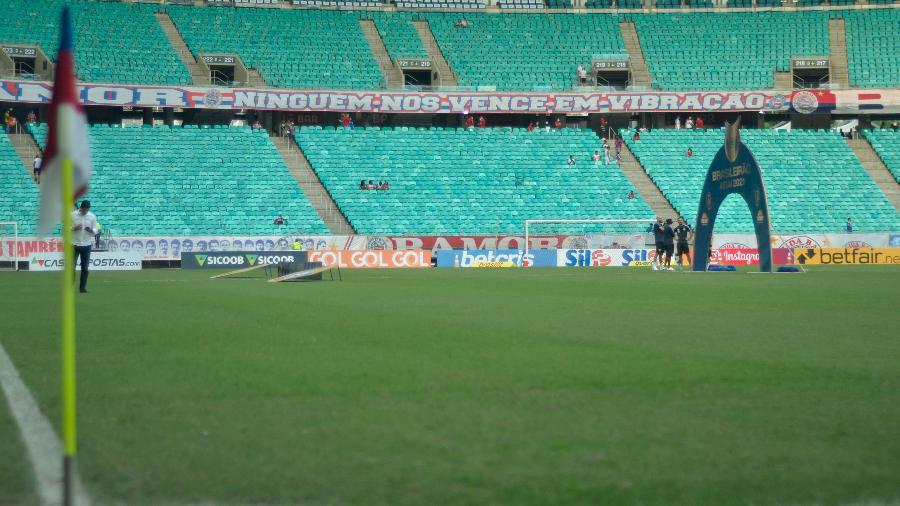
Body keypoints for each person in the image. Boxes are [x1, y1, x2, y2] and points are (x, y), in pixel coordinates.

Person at [72, 201, 97, 293]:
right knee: (71, 268)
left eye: (87, 209)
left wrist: (91, 230)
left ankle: (82, 288)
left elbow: (95, 229)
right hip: (74, 244)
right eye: (84, 209)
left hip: (86, 245)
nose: (86, 211)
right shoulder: (72, 215)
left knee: (85, 268)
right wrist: (73, 228)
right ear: (81, 207)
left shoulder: (92, 216)